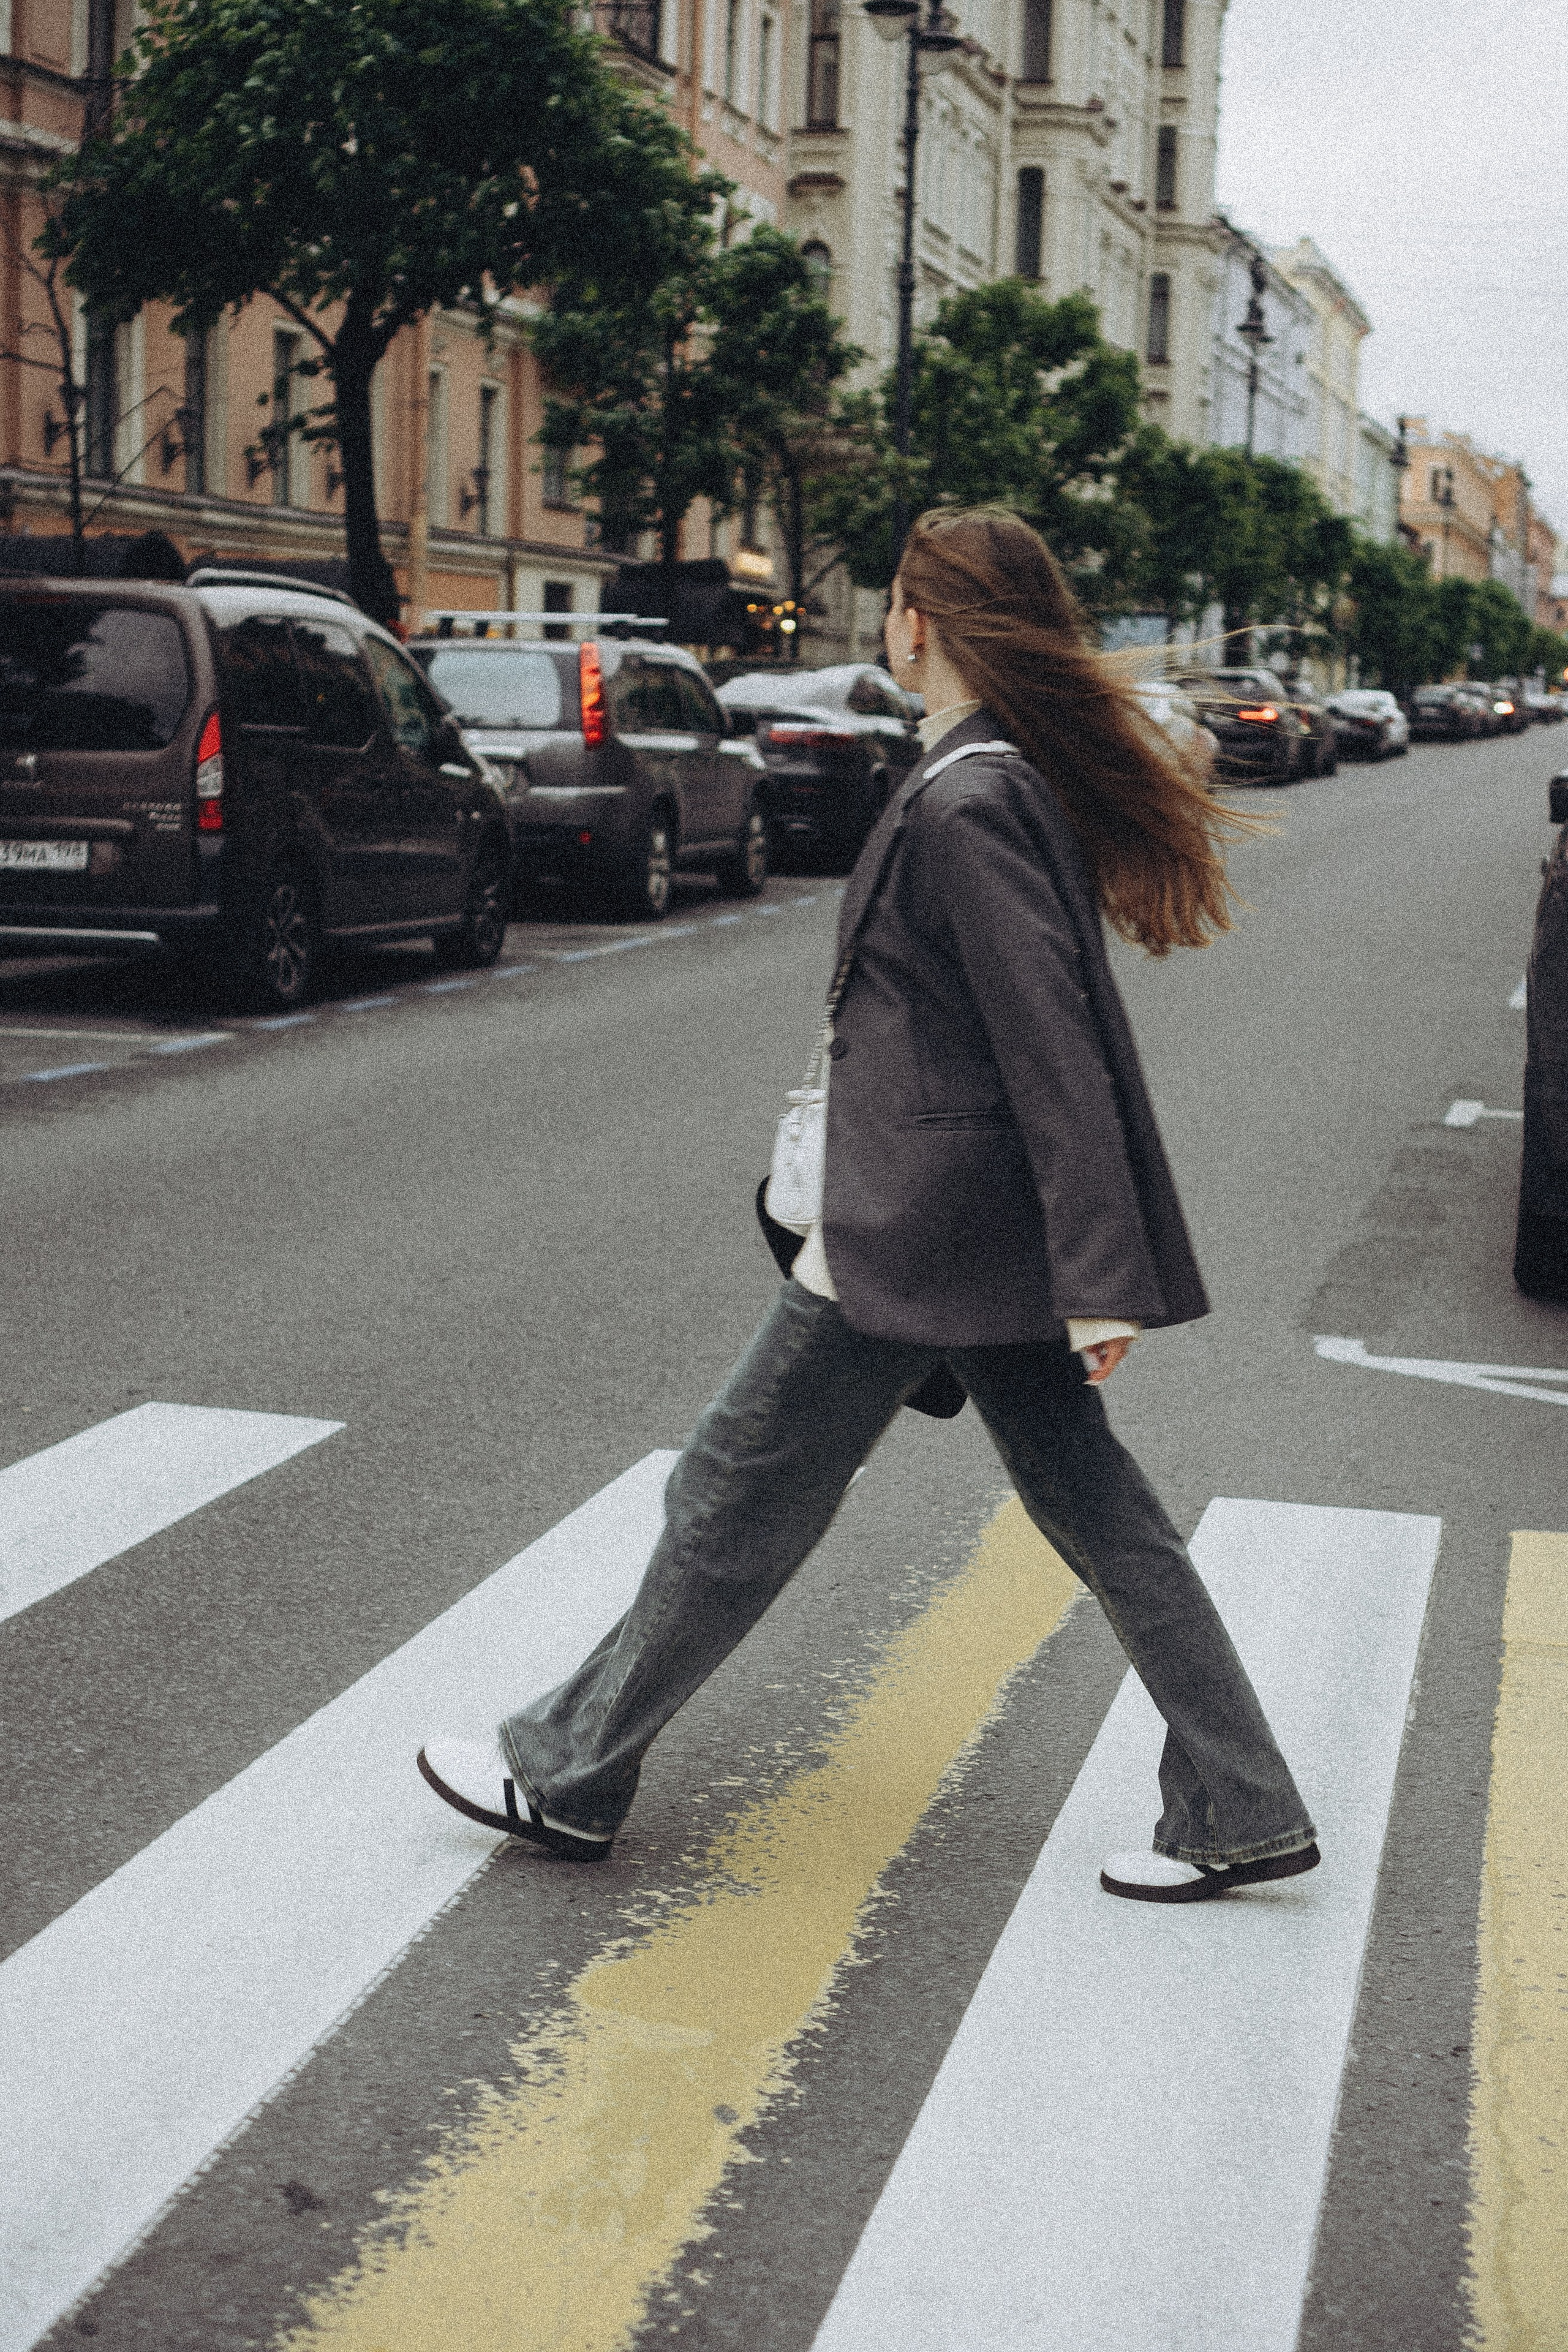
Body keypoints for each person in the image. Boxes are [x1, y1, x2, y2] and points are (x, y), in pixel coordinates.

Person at [419, 508, 1319, 1906]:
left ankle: (567, 1772)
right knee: (1098, 1512)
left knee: (729, 1487)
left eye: (895, 605)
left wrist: (1098, 1271)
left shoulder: (970, 800)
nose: (887, 625)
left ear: (918, 621)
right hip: (960, 1220)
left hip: (919, 1225)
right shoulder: (981, 776)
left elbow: (1053, 1049)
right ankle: (1241, 1805)